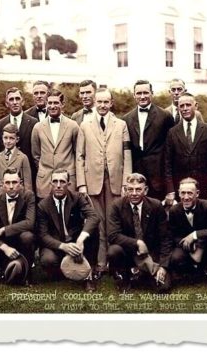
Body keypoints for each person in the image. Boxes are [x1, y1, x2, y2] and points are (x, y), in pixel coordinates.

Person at [75, 88, 133, 276]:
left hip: (115, 181)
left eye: (106, 102)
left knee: (113, 223)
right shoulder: (85, 125)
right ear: (94, 102)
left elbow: (127, 154)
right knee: (98, 223)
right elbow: (79, 156)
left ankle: (115, 263)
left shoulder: (121, 124)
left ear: (111, 103)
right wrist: (81, 183)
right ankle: (100, 264)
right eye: (99, 102)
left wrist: (127, 183)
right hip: (93, 180)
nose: (102, 105)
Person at [107, 173, 173, 293]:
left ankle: (144, 273)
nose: (134, 193)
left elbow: (165, 238)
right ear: (125, 190)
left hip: (150, 252)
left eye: (138, 189)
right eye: (130, 189)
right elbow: (113, 235)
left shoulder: (156, 205)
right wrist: (137, 242)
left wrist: (163, 266)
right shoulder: (117, 205)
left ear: (146, 190)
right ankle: (124, 277)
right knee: (113, 251)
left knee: (163, 288)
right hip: (128, 252)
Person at [36, 170, 100, 291]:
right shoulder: (43, 205)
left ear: (69, 184)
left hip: (77, 243)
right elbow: (43, 235)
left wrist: (80, 240)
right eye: (55, 181)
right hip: (57, 245)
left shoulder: (77, 198)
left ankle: (89, 276)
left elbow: (94, 217)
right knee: (47, 260)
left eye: (62, 182)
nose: (58, 185)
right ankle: (63, 271)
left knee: (93, 230)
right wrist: (63, 246)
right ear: (50, 183)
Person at [167, 178, 207, 287]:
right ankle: (193, 273)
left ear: (197, 193)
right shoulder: (174, 210)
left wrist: (195, 235)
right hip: (187, 247)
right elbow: (172, 235)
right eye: (183, 193)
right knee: (175, 258)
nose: (186, 197)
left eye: (190, 193)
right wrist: (188, 243)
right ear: (178, 193)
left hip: (206, 245)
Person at [123, 79, 175, 203]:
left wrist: (169, 186)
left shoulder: (165, 116)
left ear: (152, 93)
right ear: (134, 95)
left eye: (145, 93)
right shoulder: (126, 118)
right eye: (139, 93)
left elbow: (171, 150)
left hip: (158, 175)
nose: (142, 96)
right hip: (136, 174)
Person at [163, 92, 207, 199]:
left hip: (203, 186)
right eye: (181, 106)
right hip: (180, 188)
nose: (185, 108)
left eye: (188, 105)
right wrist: (170, 189)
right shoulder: (172, 132)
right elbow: (167, 163)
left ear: (196, 106)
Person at [31, 89, 79, 199]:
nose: (52, 106)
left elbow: (77, 153)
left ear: (62, 104)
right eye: (50, 103)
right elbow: (36, 154)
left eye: (56, 103)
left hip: (67, 180)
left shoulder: (73, 126)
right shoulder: (38, 127)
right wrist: (44, 169)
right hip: (45, 181)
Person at [0, 86, 39, 189]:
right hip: (7, 178)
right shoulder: (0, 124)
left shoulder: (33, 122)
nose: (15, 102)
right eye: (11, 99)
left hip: (28, 174)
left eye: (17, 99)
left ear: (22, 102)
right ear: (6, 103)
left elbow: (36, 149)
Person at [0, 123, 33, 194]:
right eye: (5, 138)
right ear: (2, 138)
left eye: (11, 138)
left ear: (17, 139)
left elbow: (28, 184)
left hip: (19, 194)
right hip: (2, 196)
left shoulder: (23, 157)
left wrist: (28, 199)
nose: (8, 141)